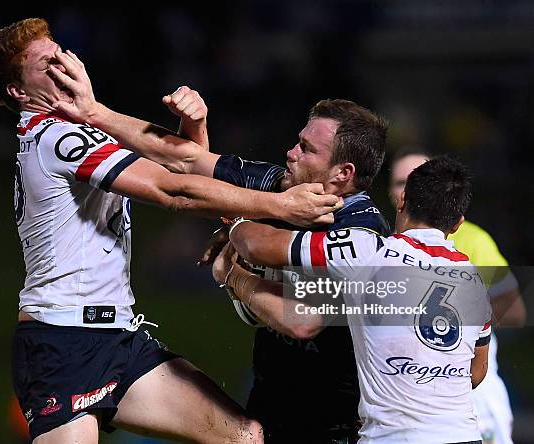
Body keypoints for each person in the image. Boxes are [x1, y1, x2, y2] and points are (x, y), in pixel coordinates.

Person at [0, 18, 343, 443]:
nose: (62, 68)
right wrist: (282, 205)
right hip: (62, 345)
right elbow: (169, 189)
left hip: (118, 339)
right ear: (19, 93)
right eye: (45, 66)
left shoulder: (83, 127)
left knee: (244, 436)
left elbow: (185, 165)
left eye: (61, 54)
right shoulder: (56, 139)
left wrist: (195, 125)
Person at [48, 50, 390, 441]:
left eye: (307, 150)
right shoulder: (279, 184)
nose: (290, 153)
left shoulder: (362, 237)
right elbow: (187, 161)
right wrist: (96, 113)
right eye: (298, 142)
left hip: (335, 424)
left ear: (343, 174)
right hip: (272, 403)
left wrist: (232, 270)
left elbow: (302, 321)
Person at [214, 156, 492, 444]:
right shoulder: (474, 282)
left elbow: (258, 245)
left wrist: (236, 230)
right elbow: (476, 372)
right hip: (464, 435)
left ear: (402, 200)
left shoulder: (366, 253)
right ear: (458, 223)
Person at [389, 148, 526, 444]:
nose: (405, 190)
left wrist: (460, 333)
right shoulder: (388, 243)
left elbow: (514, 309)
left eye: (412, 181)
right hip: (413, 399)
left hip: (473, 394)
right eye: (400, 182)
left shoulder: (472, 240)